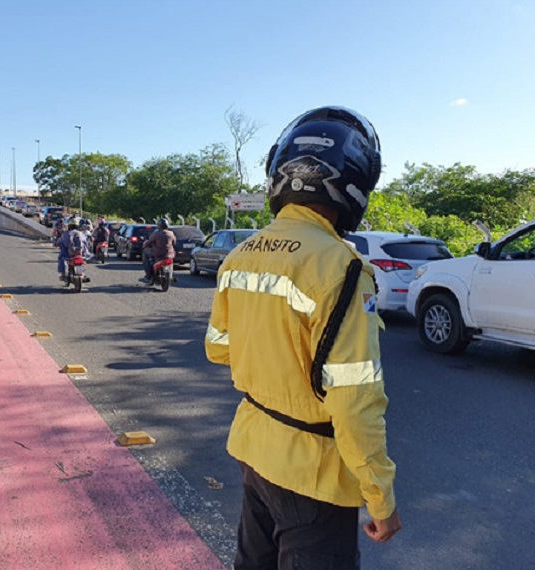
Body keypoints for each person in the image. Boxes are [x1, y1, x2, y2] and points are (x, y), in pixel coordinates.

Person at [205, 106, 401, 570]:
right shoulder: (342, 267)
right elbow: (354, 399)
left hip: (253, 447)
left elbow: (219, 348)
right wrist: (380, 497)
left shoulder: (239, 255)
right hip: (313, 473)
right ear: (354, 182)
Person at [142, 218, 176, 283]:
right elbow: (174, 242)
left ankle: (148, 274)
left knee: (146, 254)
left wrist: (145, 245)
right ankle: (170, 275)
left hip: (158, 254)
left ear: (159, 226)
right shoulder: (171, 233)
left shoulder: (156, 234)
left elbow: (149, 242)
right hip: (170, 254)